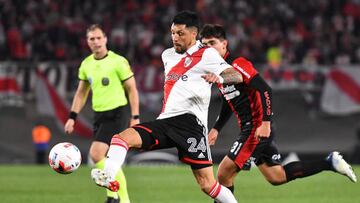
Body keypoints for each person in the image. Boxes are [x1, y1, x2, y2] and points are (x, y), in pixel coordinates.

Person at [91, 11, 243, 203]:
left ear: (193, 34)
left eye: (180, 33)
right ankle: (109, 176)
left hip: (191, 124)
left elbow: (237, 76)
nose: (175, 38)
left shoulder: (207, 54)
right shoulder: (167, 55)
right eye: (172, 33)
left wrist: (219, 77)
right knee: (121, 138)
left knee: (207, 185)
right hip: (166, 121)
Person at [199, 24, 357, 199]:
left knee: (223, 174)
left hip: (256, 128)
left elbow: (265, 89)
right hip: (252, 128)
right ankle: (330, 162)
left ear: (224, 44)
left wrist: (265, 123)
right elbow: (229, 101)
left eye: (212, 43)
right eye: (204, 45)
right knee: (277, 176)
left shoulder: (237, 64)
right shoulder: (219, 70)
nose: (208, 49)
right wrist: (216, 128)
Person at [64, 24, 139, 203]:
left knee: (96, 154)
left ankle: (121, 199)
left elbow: (132, 90)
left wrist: (135, 117)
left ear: (105, 39)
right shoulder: (86, 64)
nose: (96, 42)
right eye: (92, 39)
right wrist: (72, 117)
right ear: (87, 42)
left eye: (99, 38)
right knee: (107, 158)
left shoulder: (118, 61)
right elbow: (81, 93)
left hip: (117, 112)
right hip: (99, 115)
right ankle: (113, 197)